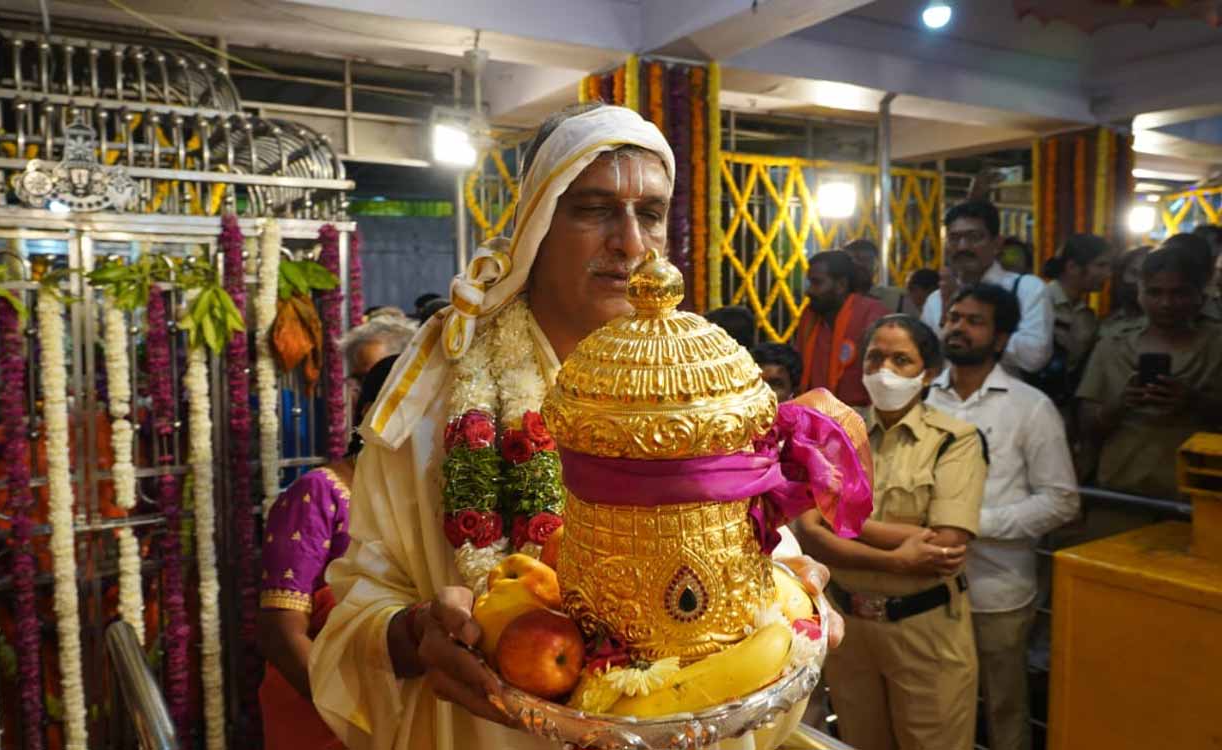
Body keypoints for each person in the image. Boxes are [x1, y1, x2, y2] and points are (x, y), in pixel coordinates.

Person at [307, 104, 841, 750]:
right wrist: (415, 633)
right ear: (534, 224)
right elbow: (354, 608)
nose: (631, 244)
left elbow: (760, 557)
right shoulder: (437, 399)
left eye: (649, 214)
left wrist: (799, 593)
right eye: (593, 209)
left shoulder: (701, 390)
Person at [796, 315, 986, 750]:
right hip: (852, 627)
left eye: (902, 360)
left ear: (929, 373)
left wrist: (841, 520)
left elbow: (945, 545)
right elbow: (810, 533)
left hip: (923, 628)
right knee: (860, 742)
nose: (886, 370)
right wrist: (896, 556)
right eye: (875, 357)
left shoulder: (954, 440)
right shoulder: (838, 434)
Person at [927, 285, 1079, 750]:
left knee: (1004, 707)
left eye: (975, 321)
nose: (958, 327)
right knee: (937, 705)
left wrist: (972, 525)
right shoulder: (925, 397)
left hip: (997, 590)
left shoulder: (1030, 406)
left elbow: (1061, 500)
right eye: (954, 317)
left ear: (1000, 338)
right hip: (926, 584)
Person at [259, 356, 400, 750]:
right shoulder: (320, 493)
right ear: (368, 412)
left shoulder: (422, 503)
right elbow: (281, 633)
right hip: (326, 715)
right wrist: (355, 719)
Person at [1077, 235, 1222, 499]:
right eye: (1155, 292)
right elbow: (1086, 424)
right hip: (1120, 491)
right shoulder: (1112, 346)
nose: (1166, 303)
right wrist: (1120, 405)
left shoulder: (1216, 347)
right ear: (1140, 294)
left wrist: (1193, 402)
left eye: (1179, 293)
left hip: (1197, 495)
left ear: (1199, 294)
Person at [921, 200, 1054, 374]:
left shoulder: (1027, 289)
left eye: (974, 237)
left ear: (997, 244)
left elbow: (1035, 356)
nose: (963, 247)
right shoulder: (935, 300)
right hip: (946, 398)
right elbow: (926, 358)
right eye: (954, 238)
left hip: (1008, 398)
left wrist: (963, 330)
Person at [794, 250, 888, 408]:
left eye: (817, 283)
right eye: (810, 283)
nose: (808, 291)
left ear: (841, 285)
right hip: (813, 414)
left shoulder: (871, 315)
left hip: (861, 417)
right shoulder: (809, 316)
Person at [1037, 234, 1113, 404]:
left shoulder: (1088, 316)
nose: (1108, 274)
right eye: (1100, 265)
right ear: (1072, 267)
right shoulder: (1038, 301)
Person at [1100, 245, 1151, 338]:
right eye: (1133, 273)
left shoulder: (1159, 325)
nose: (1137, 281)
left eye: (1145, 276)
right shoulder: (1111, 320)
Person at [845, 238, 907, 313]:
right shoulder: (832, 300)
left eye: (866, 259)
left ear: (877, 265)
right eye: (854, 260)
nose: (860, 264)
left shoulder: (896, 299)